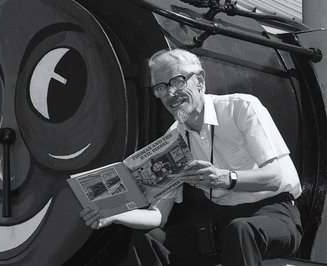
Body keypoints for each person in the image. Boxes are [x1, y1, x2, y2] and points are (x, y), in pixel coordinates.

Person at [81, 48, 302, 266]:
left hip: (274, 214)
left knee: (240, 230)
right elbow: (158, 215)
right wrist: (114, 215)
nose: (169, 94)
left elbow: (275, 178)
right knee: (151, 241)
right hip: (220, 222)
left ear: (200, 81)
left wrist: (224, 177)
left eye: (177, 81)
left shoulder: (241, 107)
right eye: (160, 87)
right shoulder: (173, 138)